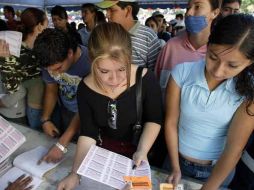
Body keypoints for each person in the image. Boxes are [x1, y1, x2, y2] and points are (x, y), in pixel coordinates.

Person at [57, 22, 162, 190]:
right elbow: (88, 133)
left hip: (141, 151)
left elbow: (154, 119)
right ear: (91, 61)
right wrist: (75, 173)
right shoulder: (85, 88)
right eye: (104, 72)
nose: (115, 80)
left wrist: (142, 151)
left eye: (122, 69)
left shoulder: (146, 79)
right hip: (105, 153)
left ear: (129, 57)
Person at [164, 13, 254, 189]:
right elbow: (171, 122)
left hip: (218, 172)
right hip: (175, 161)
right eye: (213, 57)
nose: (218, 71)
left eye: (232, 65)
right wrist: (175, 167)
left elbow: (234, 149)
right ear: (208, 44)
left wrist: (209, 187)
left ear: (249, 62)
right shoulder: (181, 73)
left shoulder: (250, 91)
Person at [33, 28, 90, 163]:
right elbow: (51, 88)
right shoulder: (50, 59)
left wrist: (61, 144)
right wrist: (46, 119)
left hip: (88, 116)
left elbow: (86, 108)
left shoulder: (90, 63)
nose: (55, 73)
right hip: (66, 110)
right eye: (50, 70)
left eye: (58, 68)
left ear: (70, 53)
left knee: (82, 155)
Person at [155, 0, 220, 97]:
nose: (188, 13)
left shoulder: (219, 53)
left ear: (214, 13)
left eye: (197, 7)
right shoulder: (171, 46)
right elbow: (156, 84)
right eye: (188, 8)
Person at [0, 8, 48, 129]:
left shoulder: (43, 45)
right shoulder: (15, 50)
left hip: (46, 99)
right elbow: (12, 87)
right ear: (39, 26)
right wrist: (6, 61)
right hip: (29, 106)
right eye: (46, 21)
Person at [96, 0, 161, 71]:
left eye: (112, 10)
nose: (107, 15)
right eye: (106, 10)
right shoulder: (106, 34)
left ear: (128, 10)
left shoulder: (148, 36)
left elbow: (155, 73)